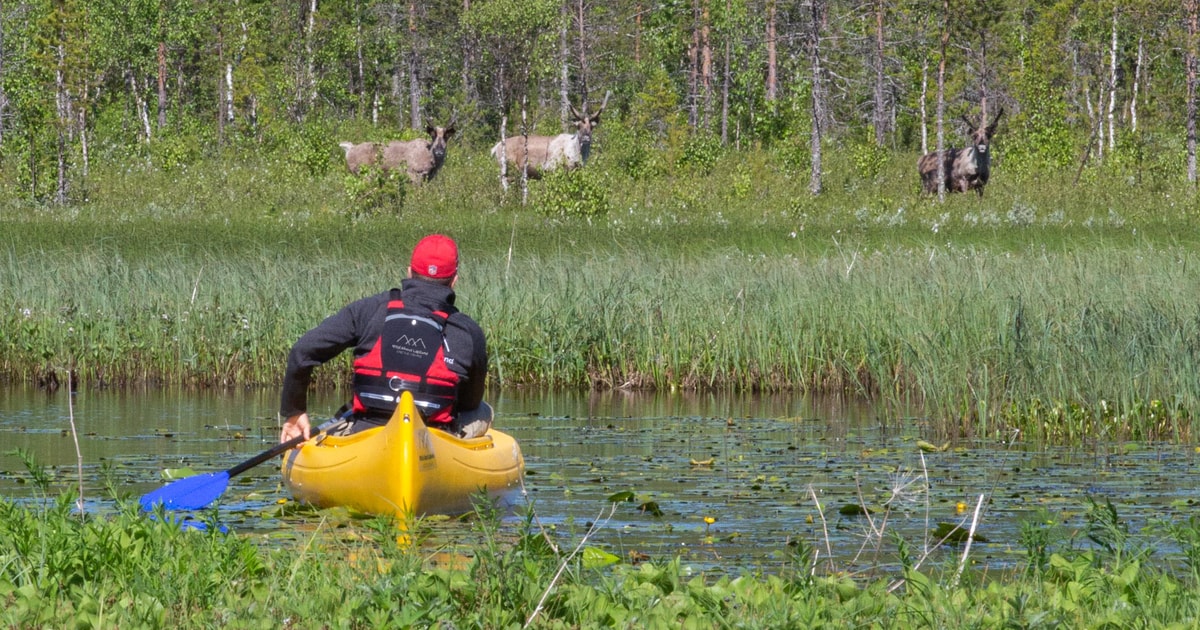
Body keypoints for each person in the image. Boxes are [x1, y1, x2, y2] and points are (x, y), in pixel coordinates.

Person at [279, 234, 491, 445]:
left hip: (367, 428)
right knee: (483, 410)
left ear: (409, 272)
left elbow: (303, 351)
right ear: (454, 281)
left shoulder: (370, 309)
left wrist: (294, 412)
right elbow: (469, 401)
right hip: (435, 438)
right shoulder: (468, 330)